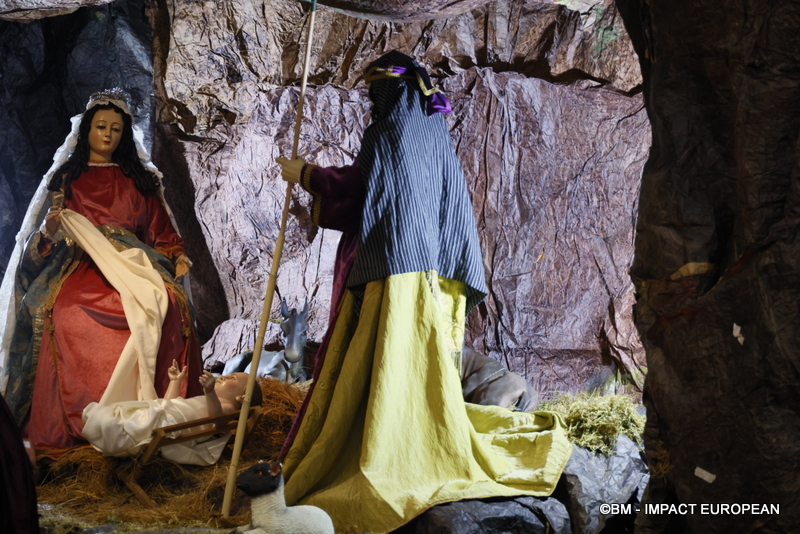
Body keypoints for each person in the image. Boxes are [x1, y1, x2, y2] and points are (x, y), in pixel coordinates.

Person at [275, 51, 572, 533]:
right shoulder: (434, 134)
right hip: (429, 274)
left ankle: (380, 449)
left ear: (391, 91)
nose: (373, 103)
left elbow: (356, 185)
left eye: (376, 92)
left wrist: (306, 174)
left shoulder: (391, 133)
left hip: (392, 275)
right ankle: (413, 436)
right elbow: (381, 196)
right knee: (413, 367)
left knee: (383, 362)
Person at [0, 88, 203, 454]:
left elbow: (161, 232)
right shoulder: (68, 179)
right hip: (81, 263)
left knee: (170, 303)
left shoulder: (139, 180)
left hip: (135, 262)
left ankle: (157, 419)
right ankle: (72, 427)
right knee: (60, 311)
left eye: (115, 129)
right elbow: (43, 241)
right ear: (86, 131)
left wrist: (177, 255)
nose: (107, 135)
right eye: (100, 127)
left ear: (124, 134)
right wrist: (50, 230)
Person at [81, 361, 261, 465]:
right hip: (168, 416)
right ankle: (108, 426)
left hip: (170, 427)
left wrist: (210, 392)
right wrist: (175, 382)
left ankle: (111, 429)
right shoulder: (211, 399)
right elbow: (170, 402)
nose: (223, 376)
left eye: (231, 379)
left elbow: (217, 420)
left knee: (129, 423)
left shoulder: (227, 407)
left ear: (242, 397)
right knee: (125, 415)